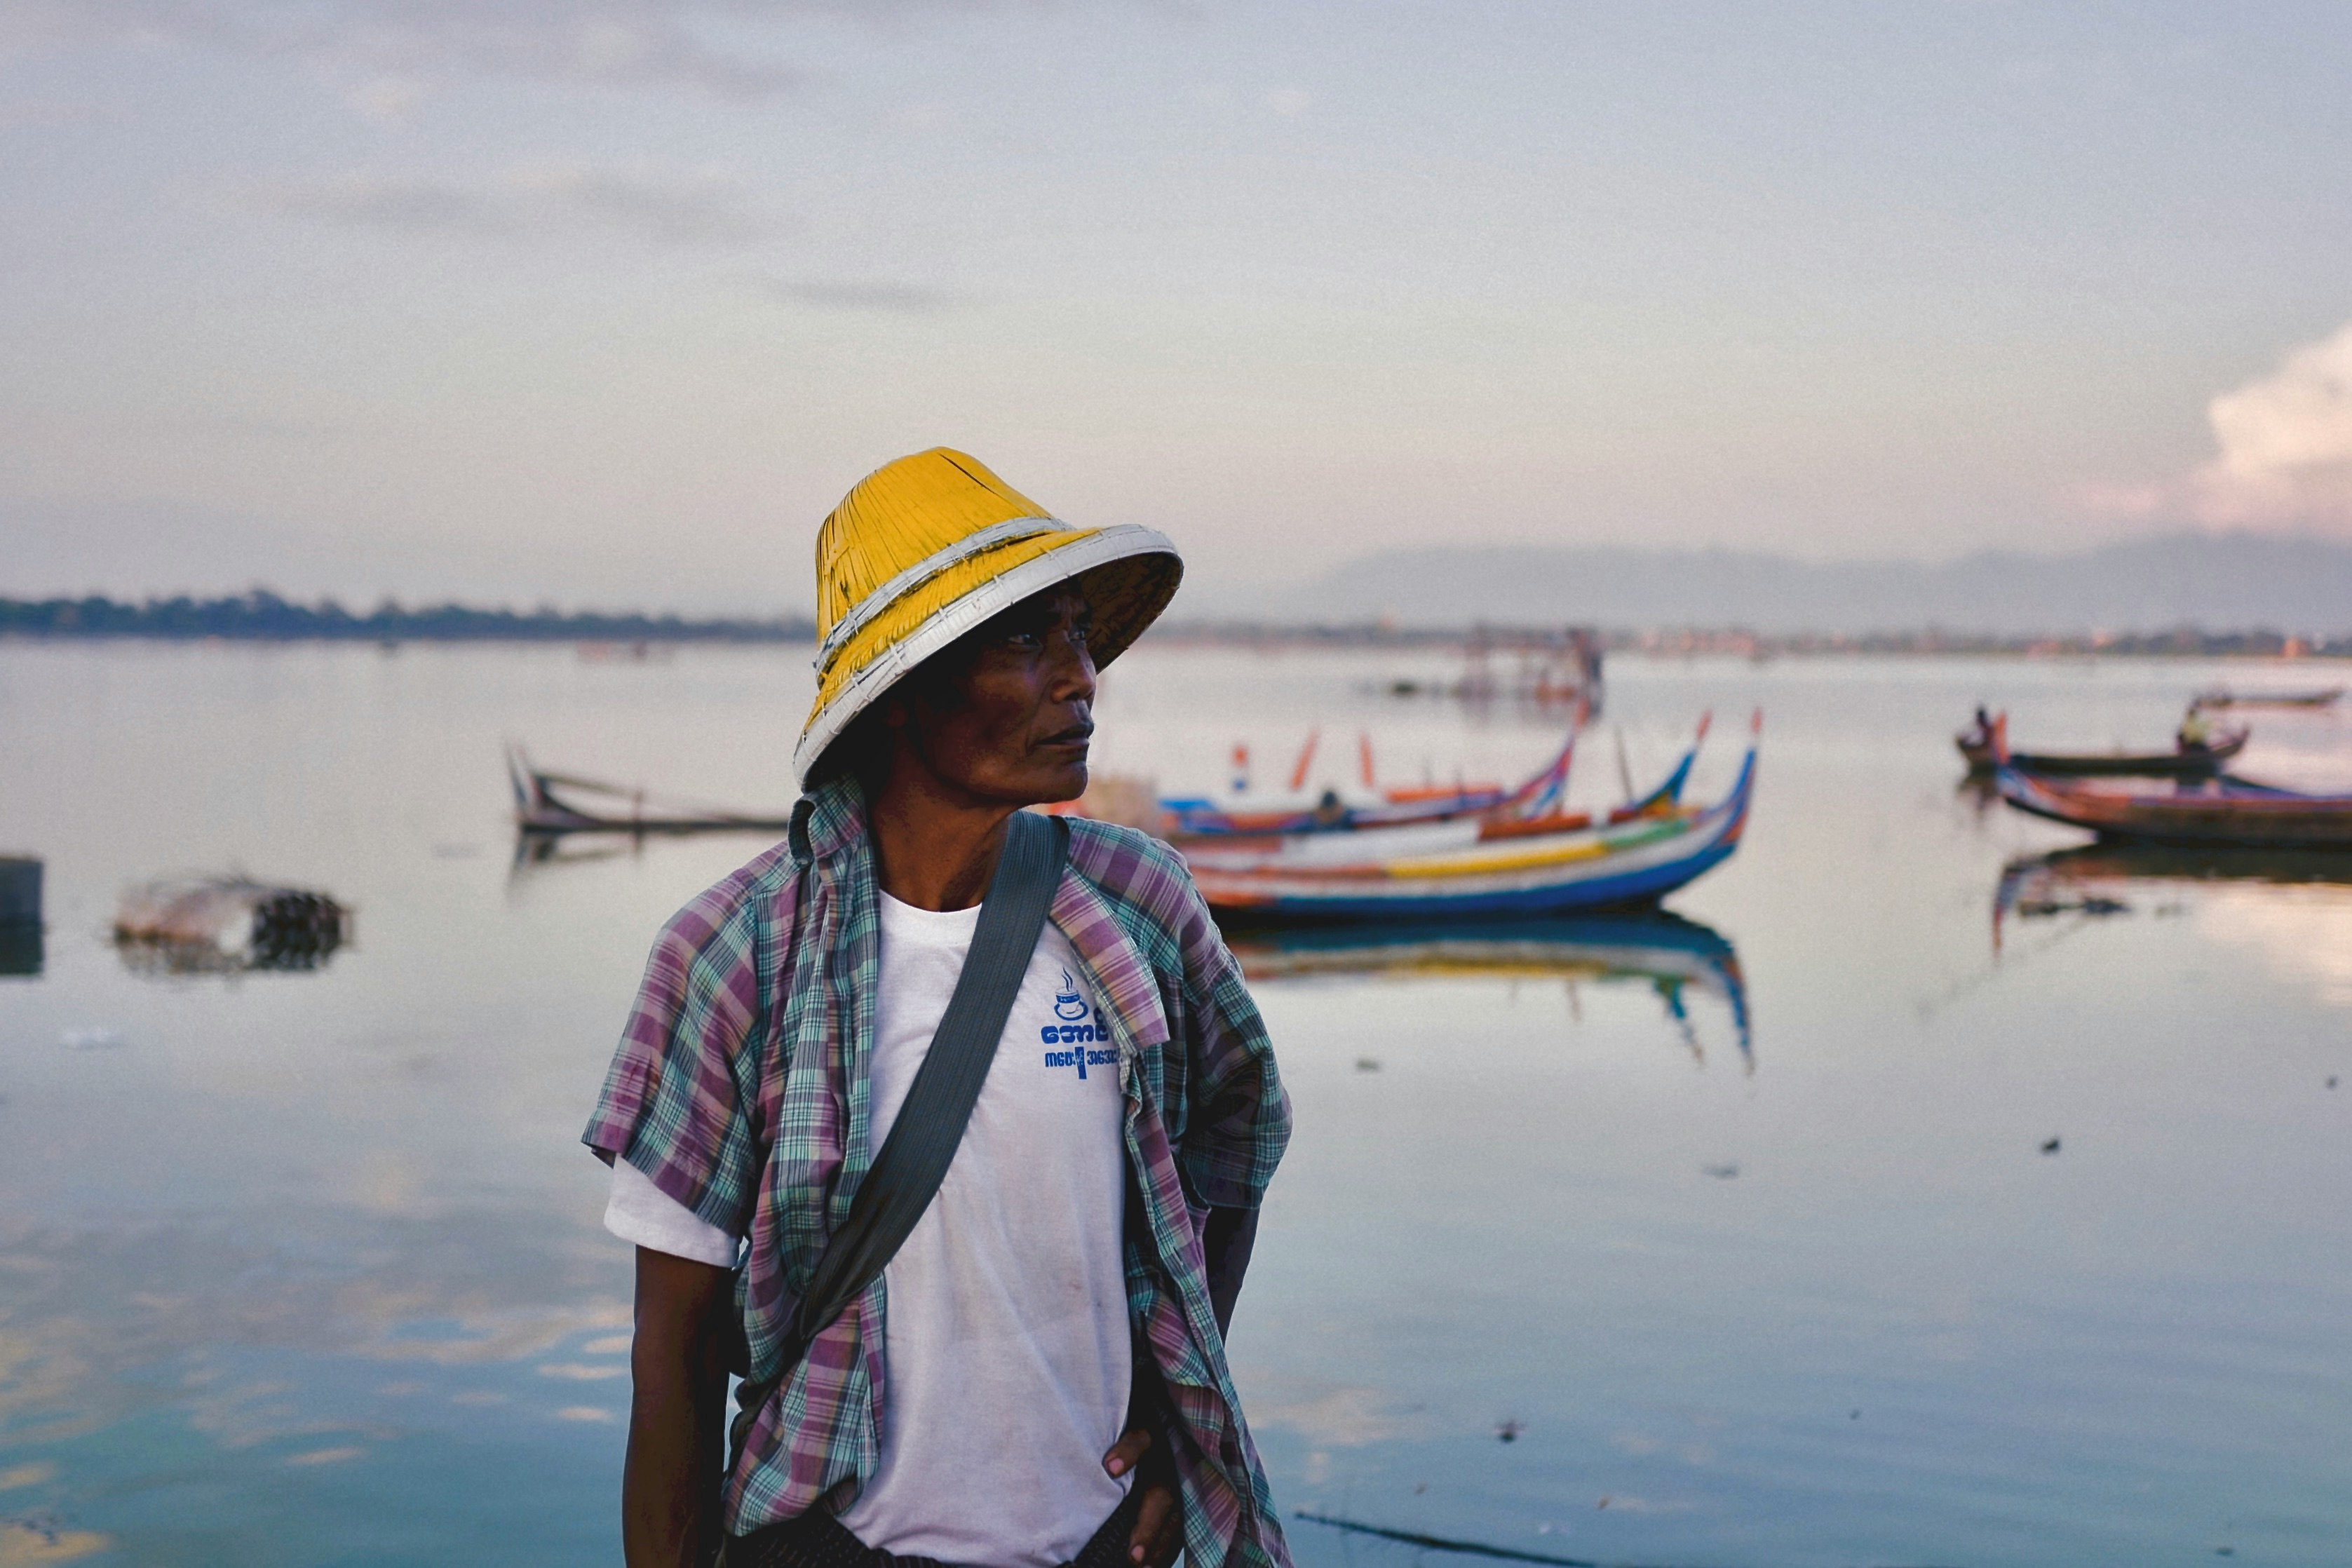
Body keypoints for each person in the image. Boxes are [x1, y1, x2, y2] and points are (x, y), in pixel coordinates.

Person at [583, 449, 1294, 1568]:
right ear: (904, 692)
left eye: (1077, 635)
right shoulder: (735, 958)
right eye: (1027, 638)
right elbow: (669, 1357)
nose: (1080, 676)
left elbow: (1234, 1145)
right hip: (831, 1541)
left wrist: (1178, 1407)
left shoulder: (1137, 905)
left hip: (1104, 1543)